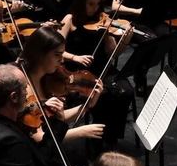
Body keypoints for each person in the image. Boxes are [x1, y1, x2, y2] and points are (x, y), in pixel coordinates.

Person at [20, 25, 128, 155]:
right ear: (40, 54)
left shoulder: (45, 81)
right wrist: (81, 132)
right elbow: (40, 138)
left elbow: (59, 118)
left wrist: (87, 105)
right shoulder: (25, 87)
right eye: (57, 55)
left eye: (62, 55)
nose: (61, 61)